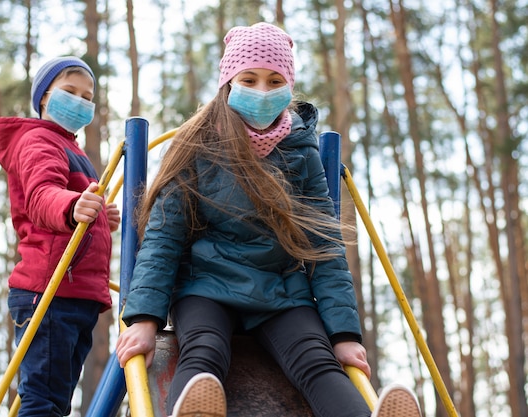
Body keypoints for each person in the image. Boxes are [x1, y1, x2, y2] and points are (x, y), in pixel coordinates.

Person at [115, 23, 420, 417]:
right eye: (250, 79)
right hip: (207, 284)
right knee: (204, 349)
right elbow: (163, 238)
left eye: (274, 80)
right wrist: (144, 318)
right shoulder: (197, 144)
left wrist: (344, 334)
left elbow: (323, 246)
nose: (261, 91)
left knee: (317, 359)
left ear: (289, 87)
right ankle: (192, 411)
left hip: (280, 291)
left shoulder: (301, 151)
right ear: (229, 82)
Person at [0, 56, 121, 416]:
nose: (79, 101)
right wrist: (71, 206)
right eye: (69, 91)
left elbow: (76, 198)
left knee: (57, 400)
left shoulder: (71, 148)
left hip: (75, 291)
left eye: (87, 95)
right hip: (48, 291)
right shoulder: (38, 140)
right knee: (43, 401)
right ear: (44, 98)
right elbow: (41, 194)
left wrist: (99, 216)